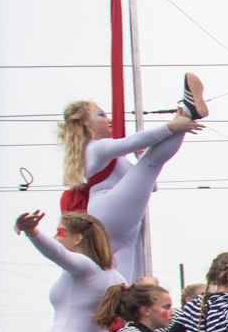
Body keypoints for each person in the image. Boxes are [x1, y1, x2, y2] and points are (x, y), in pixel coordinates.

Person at [58, 75, 206, 281]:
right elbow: (131, 143)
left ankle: (121, 311)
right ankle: (190, 113)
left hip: (117, 226)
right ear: (85, 124)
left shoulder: (112, 157)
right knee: (151, 162)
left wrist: (142, 156)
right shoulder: (94, 148)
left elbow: (150, 186)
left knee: (124, 282)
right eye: (101, 115)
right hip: (107, 210)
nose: (109, 119)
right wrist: (171, 127)